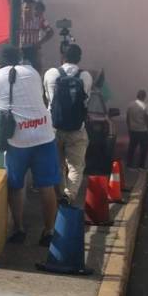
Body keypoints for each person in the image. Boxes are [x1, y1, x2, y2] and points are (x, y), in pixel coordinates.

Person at [0, 44, 61, 246]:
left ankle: (19, 229)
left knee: (16, 187)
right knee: (47, 186)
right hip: (44, 135)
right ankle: (49, 231)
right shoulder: (32, 72)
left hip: (18, 140)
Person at [43, 44, 93, 202]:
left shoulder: (51, 74)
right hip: (77, 129)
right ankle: (68, 196)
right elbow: (86, 101)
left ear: (62, 56)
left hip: (54, 128)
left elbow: (47, 98)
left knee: (56, 165)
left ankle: (58, 196)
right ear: (79, 58)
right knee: (76, 167)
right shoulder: (86, 76)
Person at [19, 0, 54, 73]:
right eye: (26, 8)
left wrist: (40, 43)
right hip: (19, 49)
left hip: (33, 48)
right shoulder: (17, 20)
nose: (28, 10)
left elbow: (50, 32)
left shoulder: (40, 19)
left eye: (31, 8)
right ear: (22, 8)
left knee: (37, 69)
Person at [126, 89, 148, 169]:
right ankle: (141, 165)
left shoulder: (130, 105)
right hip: (143, 131)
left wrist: (129, 128)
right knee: (144, 149)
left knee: (132, 147)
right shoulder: (145, 106)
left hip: (133, 130)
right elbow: (147, 119)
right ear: (144, 97)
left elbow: (127, 118)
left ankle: (129, 164)